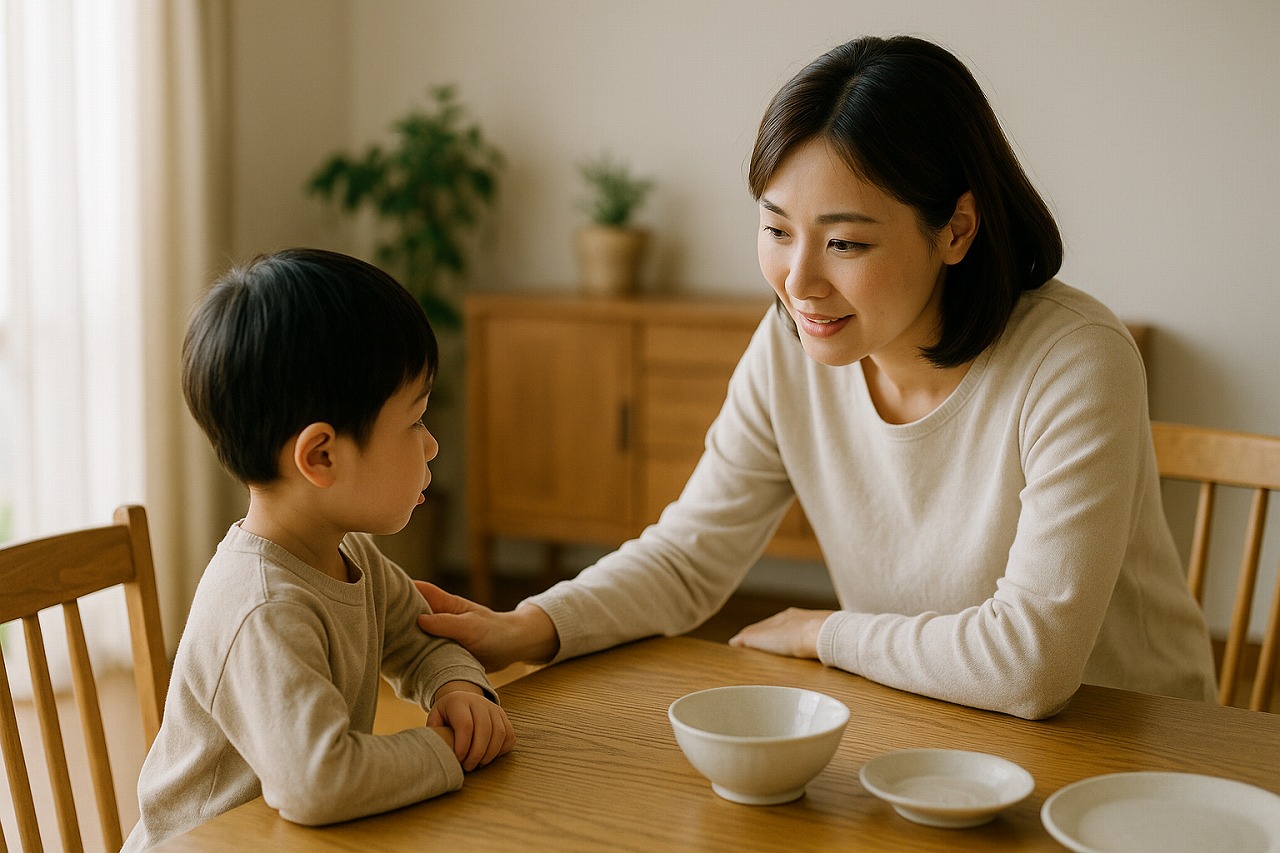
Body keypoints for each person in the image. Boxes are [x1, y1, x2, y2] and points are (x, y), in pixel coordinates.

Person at [415, 35, 1217, 721]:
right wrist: (530, 624)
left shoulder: (1075, 360)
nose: (798, 281)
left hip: (1132, 752)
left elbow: (1032, 663)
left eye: (846, 244)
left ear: (957, 229)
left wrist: (819, 632)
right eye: (775, 229)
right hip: (929, 724)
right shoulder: (791, 344)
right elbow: (690, 556)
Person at [123, 249, 514, 851]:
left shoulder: (347, 554)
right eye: (415, 422)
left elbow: (423, 637)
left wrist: (456, 689)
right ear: (321, 457)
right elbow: (320, 783)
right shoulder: (262, 607)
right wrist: (443, 752)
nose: (432, 446)